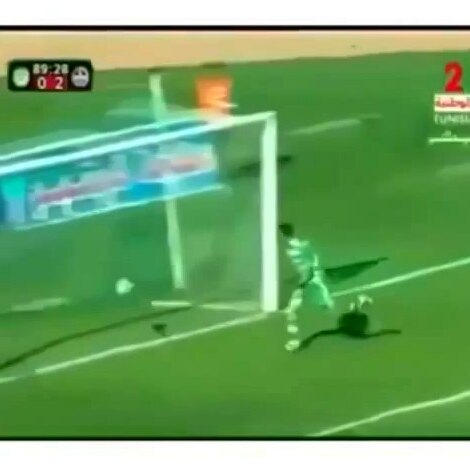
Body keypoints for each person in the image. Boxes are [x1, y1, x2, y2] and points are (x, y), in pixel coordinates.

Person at [279, 222, 335, 352]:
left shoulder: (295, 247)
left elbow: (311, 263)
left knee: (296, 310)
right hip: (305, 280)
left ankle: (298, 341)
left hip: (306, 281)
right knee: (295, 310)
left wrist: (308, 277)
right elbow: (314, 260)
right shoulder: (302, 245)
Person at [297, 294, 401, 351]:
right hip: (354, 330)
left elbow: (320, 333)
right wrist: (390, 331)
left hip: (348, 329)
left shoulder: (348, 320)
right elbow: (375, 334)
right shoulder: (359, 320)